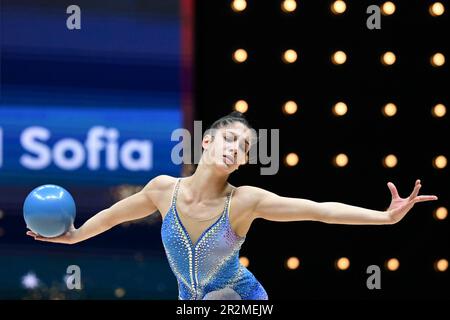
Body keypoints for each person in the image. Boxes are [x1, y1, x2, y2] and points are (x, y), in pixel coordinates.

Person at [26, 111, 438, 300]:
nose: (235, 150)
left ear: (242, 162)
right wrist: (75, 236)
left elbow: (319, 209)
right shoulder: (161, 190)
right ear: (206, 140)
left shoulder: (245, 201)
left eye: (243, 149)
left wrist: (385, 218)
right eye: (229, 140)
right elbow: (112, 217)